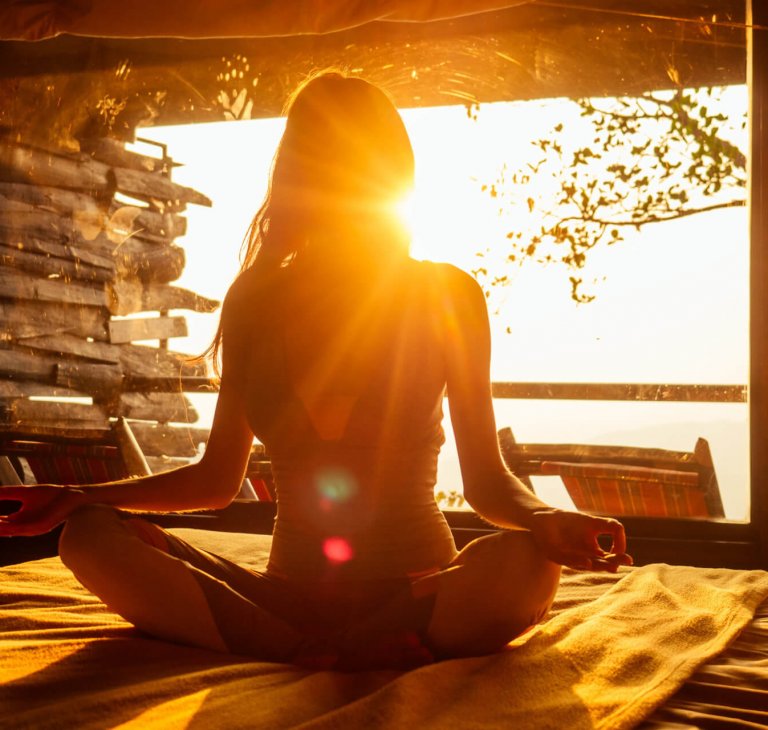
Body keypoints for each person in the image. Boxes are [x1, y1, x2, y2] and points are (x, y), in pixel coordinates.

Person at [0, 73, 631, 669]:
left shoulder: (446, 294)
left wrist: (545, 521)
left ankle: (299, 645)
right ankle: (322, 644)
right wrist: (79, 498)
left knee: (526, 564)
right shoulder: (255, 299)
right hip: (283, 594)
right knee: (88, 538)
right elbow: (218, 479)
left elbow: (488, 483)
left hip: (420, 588)